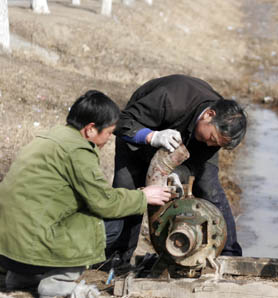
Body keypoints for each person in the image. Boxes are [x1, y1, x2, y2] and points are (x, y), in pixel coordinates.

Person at [0, 90, 171, 297]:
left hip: (8, 244)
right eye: (109, 132)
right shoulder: (78, 151)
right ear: (90, 129)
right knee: (106, 224)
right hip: (32, 241)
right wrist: (143, 197)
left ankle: (22, 277)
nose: (109, 139)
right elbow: (103, 202)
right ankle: (58, 284)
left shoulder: (51, 136)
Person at [110, 74, 247, 261]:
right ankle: (116, 259)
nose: (211, 145)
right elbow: (121, 122)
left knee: (210, 188)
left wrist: (177, 173)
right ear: (209, 114)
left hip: (189, 140)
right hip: (139, 135)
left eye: (217, 145)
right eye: (213, 139)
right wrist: (152, 137)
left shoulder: (211, 136)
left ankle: (229, 256)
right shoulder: (170, 99)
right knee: (129, 190)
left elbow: (200, 162)